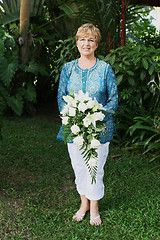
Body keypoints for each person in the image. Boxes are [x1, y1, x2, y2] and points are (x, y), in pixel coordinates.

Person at [57, 23, 118, 226]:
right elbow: (61, 97)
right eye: (82, 39)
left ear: (96, 44)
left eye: (90, 40)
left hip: (99, 129)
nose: (86, 43)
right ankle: (84, 203)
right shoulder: (68, 68)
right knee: (79, 168)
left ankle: (94, 208)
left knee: (95, 168)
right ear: (77, 42)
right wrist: (73, 117)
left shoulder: (105, 69)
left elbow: (113, 100)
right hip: (73, 127)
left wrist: (97, 116)